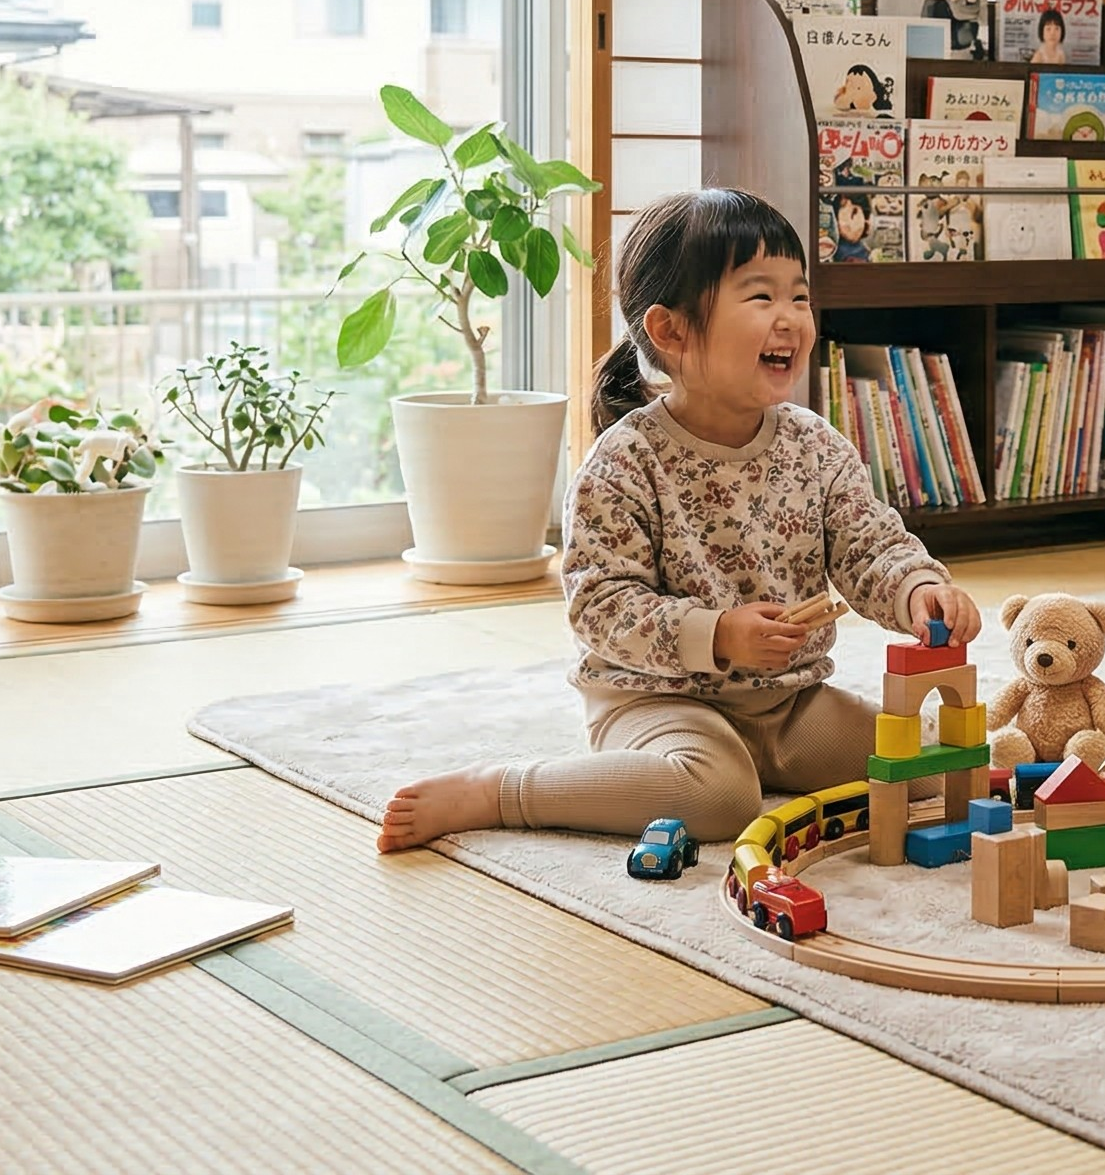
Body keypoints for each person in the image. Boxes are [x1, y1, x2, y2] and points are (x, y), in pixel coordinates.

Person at [379, 189, 983, 852]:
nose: (790, 318)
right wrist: (717, 635)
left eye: (800, 296)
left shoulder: (815, 445)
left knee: (931, 768)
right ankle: (498, 789)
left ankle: (757, 759)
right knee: (719, 798)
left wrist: (918, 589)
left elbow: (870, 546)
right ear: (672, 332)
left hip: (789, 703)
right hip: (656, 700)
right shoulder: (626, 460)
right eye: (761, 296)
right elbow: (601, 606)